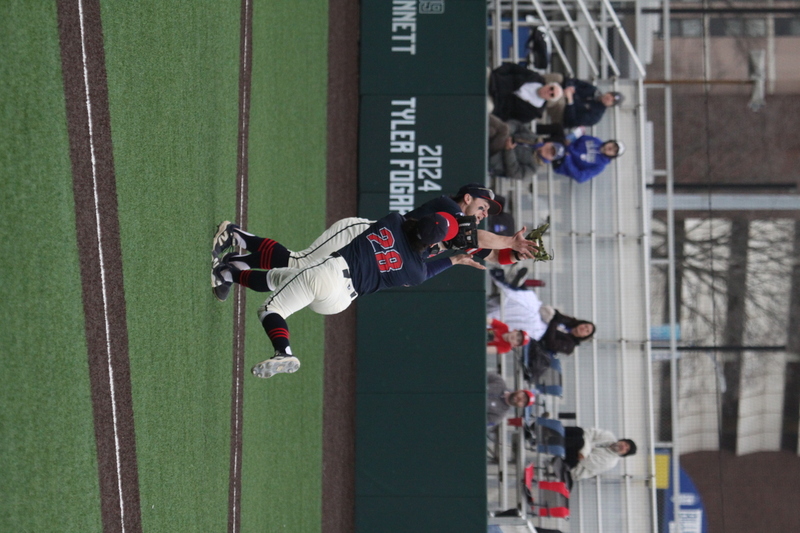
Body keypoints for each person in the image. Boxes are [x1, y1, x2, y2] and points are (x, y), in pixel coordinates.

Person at [211, 212, 484, 378]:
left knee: (272, 308)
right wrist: (455, 259)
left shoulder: (391, 221)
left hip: (330, 272)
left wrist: (439, 240)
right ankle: (230, 272)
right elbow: (426, 267)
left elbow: (414, 226)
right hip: (339, 302)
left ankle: (283, 351)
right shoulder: (414, 273)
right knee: (280, 277)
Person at [211, 183, 539, 272]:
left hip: (375, 250)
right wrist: (510, 239)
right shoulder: (449, 208)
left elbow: (490, 256)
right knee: (300, 263)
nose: (483, 214)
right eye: (482, 207)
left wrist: (517, 254)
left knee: (299, 269)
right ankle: (236, 237)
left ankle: (235, 264)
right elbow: (477, 237)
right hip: (365, 235)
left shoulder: (466, 229)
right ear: (467, 199)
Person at [486, 277, 594, 355]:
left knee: (528, 316)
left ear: (585, 336)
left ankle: (513, 289)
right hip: (540, 318)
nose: (584, 328)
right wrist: (554, 319)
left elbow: (551, 342)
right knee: (531, 301)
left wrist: (553, 322)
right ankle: (512, 286)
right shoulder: (569, 321)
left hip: (537, 334)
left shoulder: (570, 346)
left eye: (587, 331)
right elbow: (556, 314)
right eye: (585, 325)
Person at [488, 116, 566, 180]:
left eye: (552, 153)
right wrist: (508, 132)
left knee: (501, 129)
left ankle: (480, 113)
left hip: (495, 157)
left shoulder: (533, 168)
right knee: (495, 130)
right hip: (500, 138)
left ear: (550, 159)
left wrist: (509, 150)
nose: (549, 151)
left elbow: (514, 172)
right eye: (551, 148)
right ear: (549, 143)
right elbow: (518, 126)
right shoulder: (534, 138)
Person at [489, 63, 563, 123]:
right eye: (551, 88)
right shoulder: (535, 77)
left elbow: (511, 120)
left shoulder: (534, 112)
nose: (549, 91)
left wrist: (496, 111)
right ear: (548, 85)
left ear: (549, 99)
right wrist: (496, 74)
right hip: (495, 80)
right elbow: (512, 67)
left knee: (488, 106)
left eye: (552, 95)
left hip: (494, 103)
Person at [564, 426, 637, 480]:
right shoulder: (608, 435)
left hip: (575, 467)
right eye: (626, 444)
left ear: (623, 454)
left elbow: (585, 460)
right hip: (576, 449)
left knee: (580, 442)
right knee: (579, 431)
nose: (623, 447)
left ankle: (554, 442)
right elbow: (587, 432)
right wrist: (586, 449)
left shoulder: (611, 462)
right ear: (623, 440)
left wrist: (585, 447)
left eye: (626, 450)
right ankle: (555, 431)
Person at [552, 134, 625, 183]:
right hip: (565, 147)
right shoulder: (596, 140)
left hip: (563, 163)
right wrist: (570, 140)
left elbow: (581, 177)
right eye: (613, 145)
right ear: (610, 142)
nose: (611, 148)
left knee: (556, 144)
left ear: (613, 156)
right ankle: (541, 142)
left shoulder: (600, 166)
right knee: (557, 130)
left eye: (614, 151)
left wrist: (568, 159)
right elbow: (580, 138)